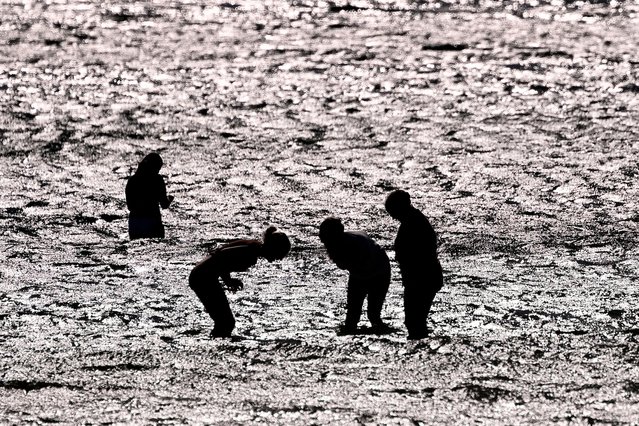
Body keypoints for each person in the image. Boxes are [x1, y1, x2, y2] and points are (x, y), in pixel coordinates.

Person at [189, 227, 291, 337]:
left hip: (205, 277)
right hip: (202, 278)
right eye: (280, 254)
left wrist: (229, 280)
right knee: (226, 322)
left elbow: (221, 259)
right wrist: (228, 281)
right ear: (273, 248)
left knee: (225, 322)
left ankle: (216, 343)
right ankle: (213, 348)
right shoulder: (250, 251)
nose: (279, 259)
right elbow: (220, 257)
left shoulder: (253, 248)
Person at [385, 190, 443, 339]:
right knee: (415, 322)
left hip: (422, 279)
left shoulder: (413, 223)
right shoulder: (413, 220)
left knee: (414, 322)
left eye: (391, 211)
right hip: (422, 278)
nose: (391, 216)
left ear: (400, 206)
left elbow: (418, 255)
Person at [319, 217, 391, 335]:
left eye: (323, 236)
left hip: (379, 272)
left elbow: (350, 266)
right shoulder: (343, 241)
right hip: (367, 269)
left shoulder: (348, 245)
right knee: (355, 314)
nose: (321, 240)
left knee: (371, 314)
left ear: (332, 235)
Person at [125, 153, 174, 239]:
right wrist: (169, 199)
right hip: (153, 221)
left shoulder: (132, 181)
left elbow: (130, 207)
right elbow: (164, 205)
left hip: (135, 224)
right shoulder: (158, 180)